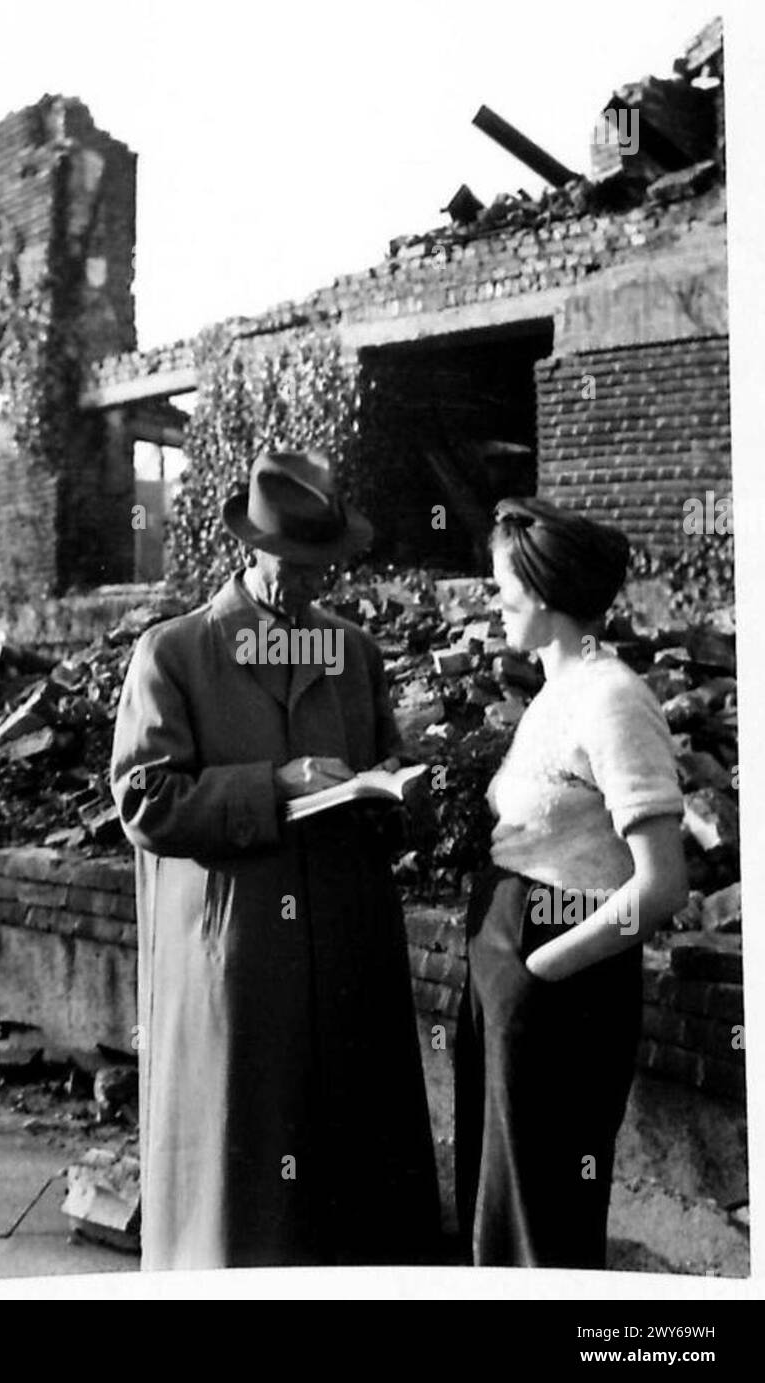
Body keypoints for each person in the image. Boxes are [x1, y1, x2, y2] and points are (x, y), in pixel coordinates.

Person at [111, 448, 440, 1270]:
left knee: (351, 1187)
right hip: (239, 959)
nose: (308, 586)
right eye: (293, 567)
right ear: (248, 549)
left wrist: (398, 797)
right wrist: (274, 786)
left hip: (345, 952)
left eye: (322, 570)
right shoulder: (174, 654)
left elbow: (382, 765)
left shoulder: (353, 653)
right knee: (246, 1182)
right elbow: (146, 802)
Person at [453, 496, 688, 1269]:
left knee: (543, 1210)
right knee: (497, 1199)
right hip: (509, 955)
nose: (494, 603)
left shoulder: (613, 699)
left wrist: (539, 969)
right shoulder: (556, 693)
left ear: (546, 595)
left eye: (502, 590)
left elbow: (661, 887)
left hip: (562, 967)